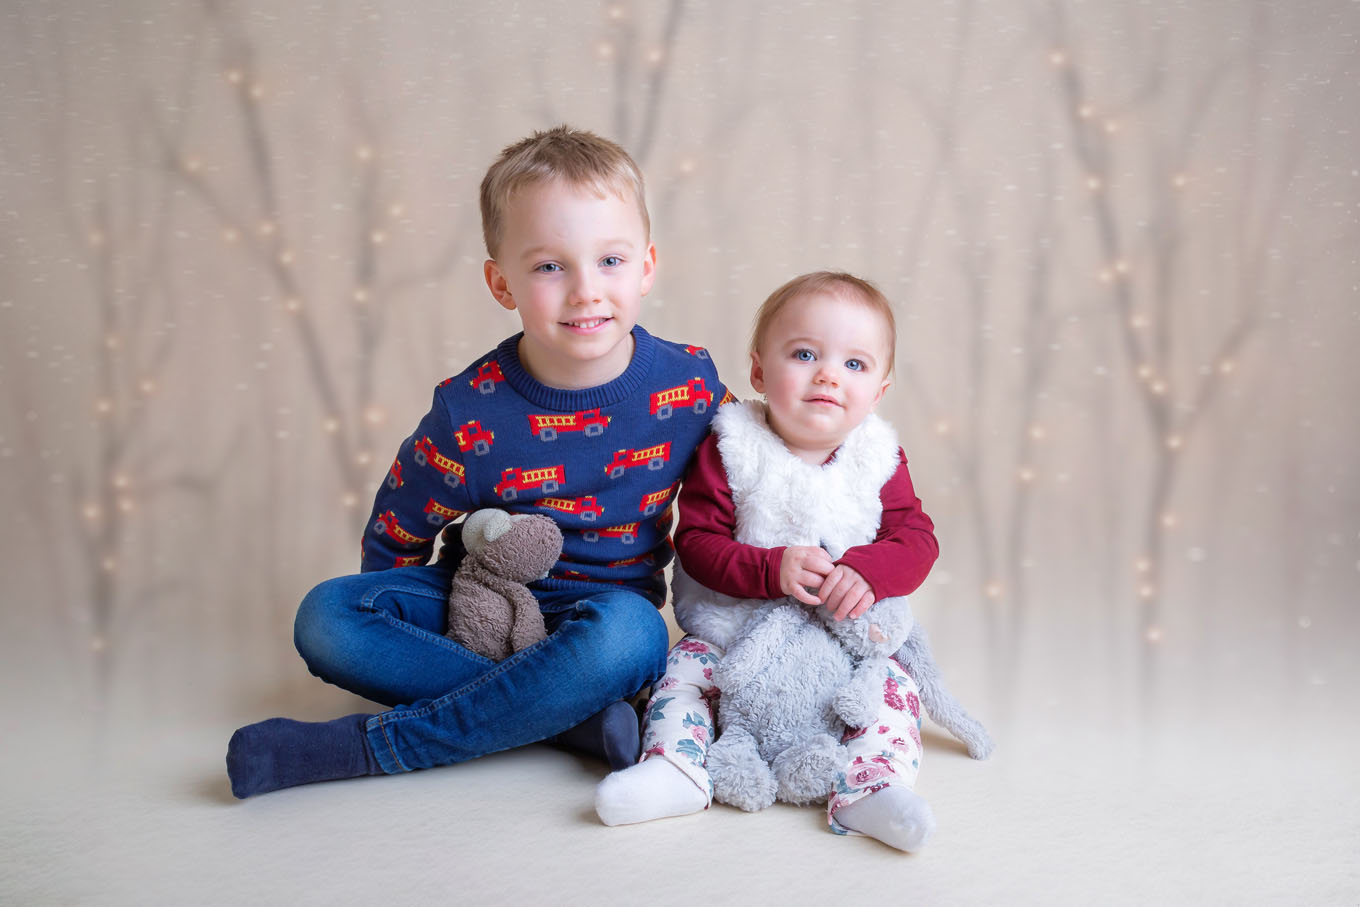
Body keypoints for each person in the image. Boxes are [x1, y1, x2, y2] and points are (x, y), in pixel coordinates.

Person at [226, 125, 731, 798]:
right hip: (483, 609)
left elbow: (751, 475)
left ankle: (379, 748)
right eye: (550, 266)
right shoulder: (469, 411)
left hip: (605, 622)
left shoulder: (690, 385)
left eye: (610, 260)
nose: (585, 291)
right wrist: (399, 621)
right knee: (325, 617)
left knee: (632, 636)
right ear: (502, 283)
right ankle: (566, 722)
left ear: (646, 265)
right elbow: (398, 525)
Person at [594, 271, 941, 852]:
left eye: (855, 365)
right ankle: (677, 771)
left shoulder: (879, 456)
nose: (829, 374)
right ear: (758, 371)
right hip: (733, 633)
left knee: (895, 694)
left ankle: (871, 787)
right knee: (678, 684)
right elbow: (698, 542)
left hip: (841, 641)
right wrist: (768, 569)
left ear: (880, 389)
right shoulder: (731, 444)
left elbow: (917, 538)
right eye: (805, 354)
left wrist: (870, 570)